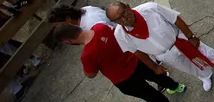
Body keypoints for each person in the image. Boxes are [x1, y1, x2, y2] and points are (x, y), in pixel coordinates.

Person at [107, 1, 214, 91]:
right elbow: (137, 52)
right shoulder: (120, 34)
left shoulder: (150, 8)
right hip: (164, 54)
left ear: (128, 6)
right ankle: (205, 75)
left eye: (123, 13)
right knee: (189, 67)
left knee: (208, 54)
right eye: (118, 19)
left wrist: (190, 36)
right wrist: (154, 67)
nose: (124, 19)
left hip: (180, 39)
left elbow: (176, 19)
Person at [53, 23, 187, 101]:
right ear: (75, 26)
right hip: (135, 61)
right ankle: (176, 86)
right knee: (156, 75)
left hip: (125, 79)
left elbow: (91, 74)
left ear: (67, 41)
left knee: (149, 94)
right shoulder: (100, 27)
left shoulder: (87, 56)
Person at [48, 4, 113, 30]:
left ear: (68, 19)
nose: (57, 28)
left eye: (57, 24)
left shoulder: (90, 26)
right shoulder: (85, 9)